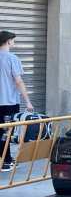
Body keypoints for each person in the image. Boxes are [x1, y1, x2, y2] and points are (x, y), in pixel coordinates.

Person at [0, 31, 34, 171]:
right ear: (8, 41)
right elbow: (19, 81)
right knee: (6, 132)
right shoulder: (12, 58)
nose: (14, 43)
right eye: (13, 40)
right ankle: (6, 162)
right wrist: (28, 101)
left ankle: (5, 159)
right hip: (8, 102)